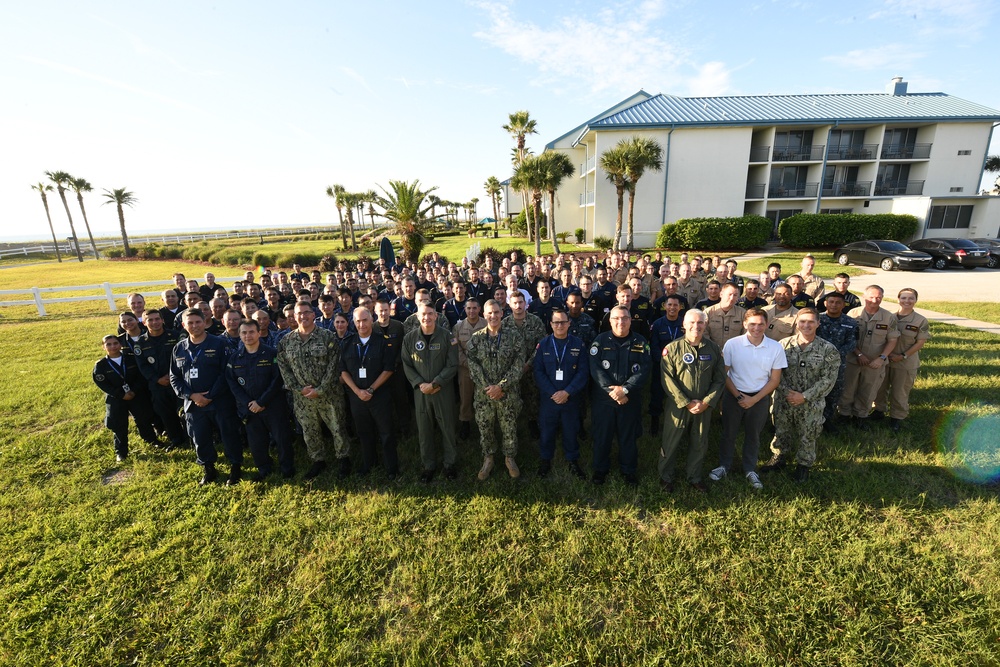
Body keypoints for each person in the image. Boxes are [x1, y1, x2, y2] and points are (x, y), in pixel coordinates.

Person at [709, 308, 787, 490]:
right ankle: (724, 466)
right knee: (729, 433)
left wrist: (755, 399)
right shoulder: (732, 344)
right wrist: (738, 395)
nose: (757, 328)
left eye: (761, 324)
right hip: (734, 395)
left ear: (767, 324)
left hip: (760, 398)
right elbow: (724, 374)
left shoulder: (775, 347)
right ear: (745, 324)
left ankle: (750, 468)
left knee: (753, 435)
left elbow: (775, 379)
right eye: (752, 324)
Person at [760, 309, 840, 482]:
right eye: (802, 321)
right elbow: (773, 373)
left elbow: (828, 379)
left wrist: (804, 396)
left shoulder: (828, 350)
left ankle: (803, 465)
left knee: (808, 434)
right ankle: (779, 457)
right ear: (796, 323)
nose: (806, 325)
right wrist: (788, 393)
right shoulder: (783, 345)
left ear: (818, 323)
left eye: (811, 321)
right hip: (784, 399)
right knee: (781, 429)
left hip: (811, 402)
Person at [169, 308, 245, 486]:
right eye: (190, 323)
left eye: (198, 322)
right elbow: (174, 377)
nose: (194, 326)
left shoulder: (219, 344)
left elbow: (226, 372)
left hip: (220, 401)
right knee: (199, 437)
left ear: (204, 322)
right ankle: (208, 468)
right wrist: (192, 395)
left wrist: (210, 395)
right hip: (193, 403)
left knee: (229, 434)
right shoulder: (179, 348)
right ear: (183, 325)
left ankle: (235, 466)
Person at [276, 301, 349, 480]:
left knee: (337, 427)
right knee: (310, 430)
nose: (303, 316)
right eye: (299, 313)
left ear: (313, 314)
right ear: (294, 316)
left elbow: (334, 365)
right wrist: (298, 389)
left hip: (329, 395)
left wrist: (321, 389)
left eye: (307, 312)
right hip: (302, 398)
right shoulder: (286, 341)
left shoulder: (327, 336)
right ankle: (318, 460)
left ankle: (344, 459)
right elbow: (284, 368)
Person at [657, 309, 726, 492]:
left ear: (706, 324)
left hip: (704, 406)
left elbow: (719, 379)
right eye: (692, 322)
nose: (696, 326)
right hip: (678, 405)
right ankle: (666, 476)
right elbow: (667, 379)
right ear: (684, 325)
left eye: (700, 322)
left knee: (700, 442)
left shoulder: (713, 349)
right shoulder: (672, 349)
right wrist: (685, 402)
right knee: (671, 441)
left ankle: (694, 476)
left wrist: (707, 402)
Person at [588, 305, 651, 486]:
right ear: (610, 320)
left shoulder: (640, 342)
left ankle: (628, 471)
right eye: (616, 318)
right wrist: (613, 391)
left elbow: (644, 370)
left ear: (630, 320)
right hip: (604, 400)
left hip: (629, 399)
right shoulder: (599, 342)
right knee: (602, 436)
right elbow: (596, 370)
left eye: (624, 318)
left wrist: (625, 390)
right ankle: (600, 470)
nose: (620, 322)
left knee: (628, 437)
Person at [225, 319, 295, 480]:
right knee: (256, 442)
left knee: (282, 439)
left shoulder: (272, 353)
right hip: (249, 408)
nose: (247, 335)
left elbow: (277, 380)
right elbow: (232, 383)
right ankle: (264, 468)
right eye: (244, 332)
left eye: (251, 332)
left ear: (258, 333)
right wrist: (249, 403)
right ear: (239, 334)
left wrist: (261, 402)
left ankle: (287, 468)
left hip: (273, 406)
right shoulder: (235, 358)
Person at [466, 300, 526, 480]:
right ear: (484, 315)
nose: (493, 316)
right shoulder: (476, 338)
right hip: (484, 395)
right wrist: (488, 388)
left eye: (496, 312)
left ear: (502, 313)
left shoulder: (513, 336)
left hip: (507, 393)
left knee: (509, 427)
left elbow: (519, 362)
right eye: (489, 313)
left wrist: (501, 386)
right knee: (485, 427)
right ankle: (488, 458)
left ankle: (509, 457)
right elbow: (472, 364)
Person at [401, 303, 460, 482]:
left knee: (447, 427)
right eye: (423, 315)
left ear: (436, 316)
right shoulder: (410, 339)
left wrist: (436, 383)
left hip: (443, 390)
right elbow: (407, 364)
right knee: (424, 430)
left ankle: (450, 464)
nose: (426, 317)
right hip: (421, 392)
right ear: (417, 317)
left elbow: (452, 364)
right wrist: (420, 384)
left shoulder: (447, 337)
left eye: (429, 314)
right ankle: (428, 466)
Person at [341, 307, 398, 479]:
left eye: (365, 320)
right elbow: (343, 371)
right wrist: (358, 391)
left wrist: (371, 389)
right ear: (353, 322)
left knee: (386, 432)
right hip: (357, 397)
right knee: (364, 432)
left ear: (371, 319)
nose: (361, 324)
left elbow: (388, 369)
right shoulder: (347, 342)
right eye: (357, 321)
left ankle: (392, 468)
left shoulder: (383, 341)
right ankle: (369, 463)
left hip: (379, 395)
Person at [533, 307, 588, 479]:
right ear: (550, 324)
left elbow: (583, 372)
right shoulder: (543, 345)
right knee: (547, 431)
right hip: (549, 399)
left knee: (571, 430)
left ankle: (572, 460)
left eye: (563, 322)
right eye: (556, 322)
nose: (560, 325)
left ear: (569, 323)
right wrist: (554, 393)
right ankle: (545, 459)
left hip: (570, 399)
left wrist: (567, 392)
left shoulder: (578, 345)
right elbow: (538, 372)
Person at [838, 285, 899, 429]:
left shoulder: (888, 317)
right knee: (848, 388)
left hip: (875, 362)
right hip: (853, 359)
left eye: (878, 297)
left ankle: (861, 416)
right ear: (864, 297)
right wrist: (858, 353)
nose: (874, 300)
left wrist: (882, 358)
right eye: (871, 297)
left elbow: (892, 340)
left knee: (868, 390)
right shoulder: (853, 313)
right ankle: (844, 414)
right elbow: (847, 337)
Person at [93, 335, 160, 462]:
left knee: (143, 418)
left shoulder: (131, 359)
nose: (113, 346)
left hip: (135, 395)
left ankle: (151, 440)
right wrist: (121, 394)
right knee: (119, 425)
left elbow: (141, 376)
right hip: (116, 398)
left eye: (115, 343)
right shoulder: (101, 365)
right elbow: (103, 384)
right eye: (108, 344)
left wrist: (133, 391)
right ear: (103, 347)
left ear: (120, 344)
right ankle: (121, 451)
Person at [874, 288, 931, 432]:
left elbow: (920, 343)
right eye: (904, 298)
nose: (907, 301)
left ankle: (897, 417)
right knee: (880, 388)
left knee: (900, 391)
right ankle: (879, 411)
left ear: (915, 300)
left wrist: (903, 355)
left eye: (911, 298)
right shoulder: (889, 317)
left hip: (905, 362)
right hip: (886, 360)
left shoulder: (920, 320)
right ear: (898, 299)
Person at [133, 309, 188, 450]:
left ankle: (190, 438)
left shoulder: (175, 336)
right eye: (150, 320)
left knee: (184, 412)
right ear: (144, 323)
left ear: (162, 320)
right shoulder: (141, 343)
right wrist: (156, 379)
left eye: (157, 319)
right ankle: (176, 439)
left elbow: (183, 358)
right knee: (166, 413)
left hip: (178, 382)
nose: (154, 322)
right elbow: (143, 365)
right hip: (157, 385)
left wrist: (172, 376)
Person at [503, 290, 546, 439]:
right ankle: (512, 423)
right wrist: (514, 367)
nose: (518, 305)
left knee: (533, 396)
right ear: (510, 304)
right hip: (511, 369)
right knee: (512, 396)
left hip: (532, 367)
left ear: (526, 304)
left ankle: (532, 421)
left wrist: (528, 364)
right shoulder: (505, 324)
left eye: (521, 302)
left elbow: (541, 345)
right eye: (515, 303)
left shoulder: (536, 322)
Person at [816, 292, 859, 432]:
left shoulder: (851, 323)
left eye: (837, 302)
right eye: (831, 302)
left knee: (834, 393)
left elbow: (852, 343)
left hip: (837, 364)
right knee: (815, 390)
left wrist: (833, 355)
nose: (834, 305)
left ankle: (827, 420)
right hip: (815, 362)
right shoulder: (817, 320)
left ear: (843, 305)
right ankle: (813, 419)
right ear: (825, 303)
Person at [647, 294, 686, 434]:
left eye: (676, 305)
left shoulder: (685, 324)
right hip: (661, 366)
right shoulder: (657, 324)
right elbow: (654, 346)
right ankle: (655, 420)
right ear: (664, 306)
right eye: (669, 305)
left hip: (681, 367)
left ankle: (679, 421)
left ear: (680, 307)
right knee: (657, 393)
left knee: (680, 392)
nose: (672, 308)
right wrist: (664, 363)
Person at [452, 297, 486, 440]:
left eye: (474, 308)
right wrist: (468, 364)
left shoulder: (486, 324)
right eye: (469, 308)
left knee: (484, 398)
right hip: (465, 369)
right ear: (465, 309)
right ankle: (465, 422)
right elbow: (456, 349)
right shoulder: (458, 327)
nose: (471, 311)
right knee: (465, 397)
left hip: (485, 368)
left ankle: (484, 423)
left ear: (479, 309)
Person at [703, 283, 746, 348]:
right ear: (721, 294)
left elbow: (746, 334)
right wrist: (713, 349)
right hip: (713, 351)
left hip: (735, 351)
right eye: (729, 294)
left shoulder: (742, 313)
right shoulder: (708, 312)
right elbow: (704, 334)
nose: (732, 298)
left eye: (735, 295)